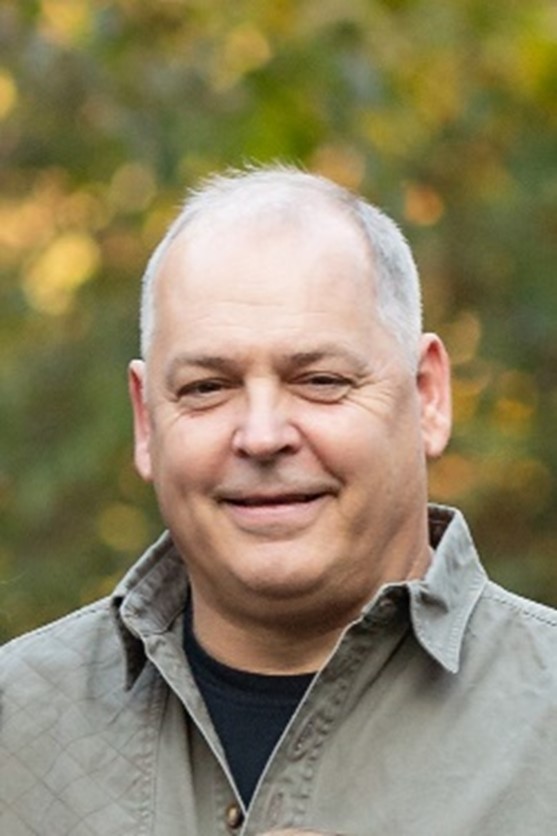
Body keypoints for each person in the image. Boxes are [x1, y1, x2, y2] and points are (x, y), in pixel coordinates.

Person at [1, 165, 556, 836]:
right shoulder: (18, 729)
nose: (261, 436)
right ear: (146, 421)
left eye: (320, 380)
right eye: (207, 388)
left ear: (428, 396)